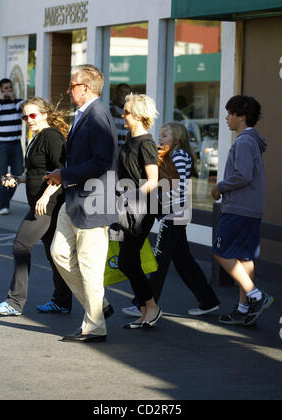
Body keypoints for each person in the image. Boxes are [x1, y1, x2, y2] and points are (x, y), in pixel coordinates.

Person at [45, 65, 118, 343]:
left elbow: (101, 161)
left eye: (72, 85)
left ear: (85, 88)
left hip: (92, 201)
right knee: (59, 253)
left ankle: (94, 326)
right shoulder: (86, 114)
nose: (68, 89)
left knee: (89, 265)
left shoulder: (98, 115)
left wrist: (64, 174)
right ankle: (99, 307)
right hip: (77, 198)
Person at [122, 122, 220, 318]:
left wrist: (157, 198)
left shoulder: (180, 156)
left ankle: (144, 303)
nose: (160, 138)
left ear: (176, 140)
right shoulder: (170, 156)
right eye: (160, 134)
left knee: (159, 261)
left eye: (164, 135)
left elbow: (176, 184)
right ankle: (208, 300)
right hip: (173, 214)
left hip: (173, 214)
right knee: (183, 261)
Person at [0, 97, 72, 316]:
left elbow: (60, 171)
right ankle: (62, 301)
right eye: (25, 116)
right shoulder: (37, 138)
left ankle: (14, 302)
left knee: (20, 246)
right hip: (40, 203)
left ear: (45, 114)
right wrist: (17, 179)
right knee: (54, 254)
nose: (28, 120)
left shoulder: (52, 136)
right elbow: (37, 173)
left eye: (32, 115)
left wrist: (45, 196)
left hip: (48, 204)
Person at [211, 95, 274, 326]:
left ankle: (256, 296)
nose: (226, 118)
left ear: (242, 116)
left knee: (221, 252)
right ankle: (243, 309)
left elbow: (243, 175)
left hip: (238, 208)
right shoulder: (251, 141)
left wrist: (220, 186)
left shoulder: (244, 142)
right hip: (251, 209)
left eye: (230, 114)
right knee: (245, 258)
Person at [118, 93, 162, 329]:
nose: (122, 115)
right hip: (128, 206)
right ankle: (146, 308)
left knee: (127, 260)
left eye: (126, 112)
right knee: (127, 261)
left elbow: (153, 180)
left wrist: (132, 198)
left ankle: (151, 306)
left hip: (142, 208)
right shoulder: (129, 138)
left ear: (138, 115)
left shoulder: (146, 143)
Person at [0, 78, 24, 215]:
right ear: (1, 90)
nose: (8, 90)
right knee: (1, 175)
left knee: (18, 172)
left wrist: (14, 100)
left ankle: (5, 199)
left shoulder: (19, 102)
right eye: (6, 88)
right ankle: (3, 206)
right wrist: (2, 100)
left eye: (10, 87)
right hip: (0, 145)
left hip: (15, 144)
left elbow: (23, 112)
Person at [110, 83, 131, 150]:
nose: (123, 95)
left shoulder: (131, 110)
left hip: (125, 146)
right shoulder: (108, 105)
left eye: (126, 93)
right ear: (116, 93)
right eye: (121, 92)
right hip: (111, 145)